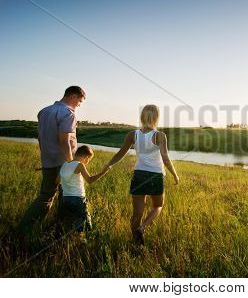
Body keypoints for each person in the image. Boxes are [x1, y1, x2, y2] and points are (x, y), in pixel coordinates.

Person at [106, 104, 179, 245]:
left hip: (139, 175)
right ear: (157, 117)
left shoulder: (133, 134)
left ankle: (136, 242)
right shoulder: (160, 135)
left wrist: (108, 165)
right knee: (158, 206)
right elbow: (165, 158)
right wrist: (175, 175)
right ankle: (142, 227)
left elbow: (120, 154)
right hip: (155, 176)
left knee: (136, 214)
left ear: (142, 116)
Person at [19, 86, 86, 234]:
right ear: (73, 97)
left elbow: (40, 138)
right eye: (79, 102)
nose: (79, 105)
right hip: (64, 162)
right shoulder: (68, 113)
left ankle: (26, 228)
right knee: (68, 196)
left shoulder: (44, 111)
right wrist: (70, 163)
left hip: (48, 160)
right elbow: (65, 141)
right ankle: (63, 231)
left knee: (46, 195)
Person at [56, 145, 110, 233]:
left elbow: (57, 181)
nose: (88, 162)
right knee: (85, 226)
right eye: (89, 160)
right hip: (78, 199)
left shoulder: (65, 164)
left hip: (65, 199)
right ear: (86, 157)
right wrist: (103, 172)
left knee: (68, 223)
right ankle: (81, 241)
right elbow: (90, 180)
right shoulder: (80, 165)